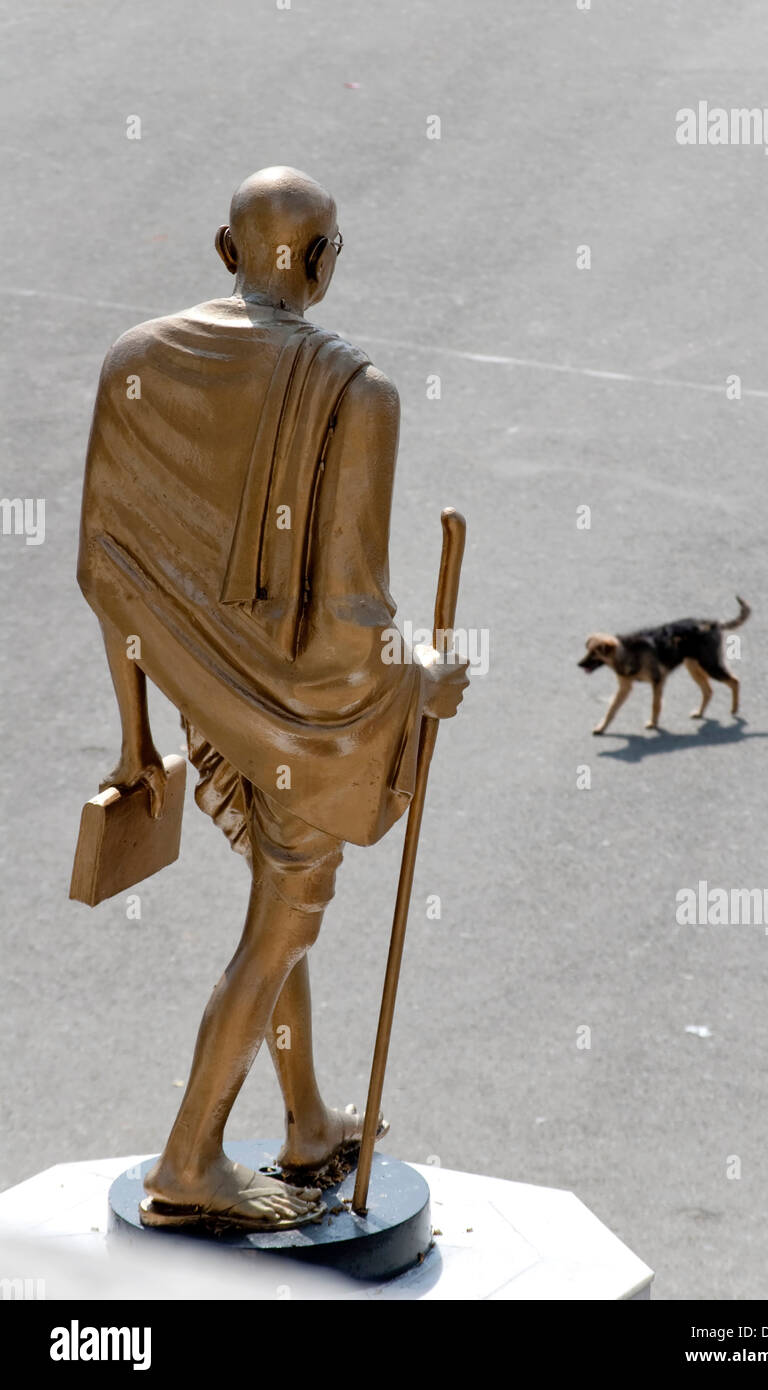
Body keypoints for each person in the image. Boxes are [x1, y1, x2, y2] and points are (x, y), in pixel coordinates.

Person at [77, 167, 469, 1230]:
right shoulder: (358, 394)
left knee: (272, 909)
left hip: (202, 701)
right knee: (282, 923)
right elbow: (352, 613)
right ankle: (189, 1159)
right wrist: (423, 681)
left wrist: (135, 738)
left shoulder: (135, 363)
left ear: (223, 250)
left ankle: (303, 1122)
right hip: (303, 711)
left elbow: (106, 569)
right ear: (325, 260)